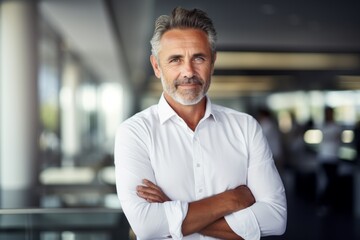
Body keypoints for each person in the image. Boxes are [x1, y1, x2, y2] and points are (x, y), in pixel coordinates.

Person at [114, 7, 287, 240]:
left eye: (199, 58)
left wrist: (171, 208)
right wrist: (231, 200)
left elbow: (275, 219)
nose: (188, 71)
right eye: (175, 59)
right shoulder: (134, 133)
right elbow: (147, 226)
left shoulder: (245, 127)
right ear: (156, 66)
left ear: (212, 62)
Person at [316, 106, 342, 214]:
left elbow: (337, 138)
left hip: (334, 157)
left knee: (332, 182)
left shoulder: (337, 126)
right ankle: (323, 203)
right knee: (328, 181)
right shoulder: (323, 126)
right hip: (324, 157)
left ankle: (328, 203)